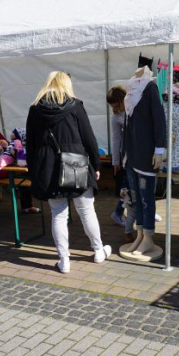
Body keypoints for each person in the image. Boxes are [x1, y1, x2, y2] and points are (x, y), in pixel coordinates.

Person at [26, 71, 110, 274]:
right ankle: (98, 251)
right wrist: (97, 165)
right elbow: (89, 138)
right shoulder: (75, 106)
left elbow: (31, 144)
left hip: (49, 168)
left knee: (58, 214)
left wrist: (33, 171)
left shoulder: (35, 109)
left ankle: (64, 261)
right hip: (76, 164)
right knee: (86, 211)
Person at [119, 66, 166, 262]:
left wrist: (159, 149)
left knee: (147, 198)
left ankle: (148, 236)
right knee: (136, 198)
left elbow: (159, 119)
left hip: (146, 153)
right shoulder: (131, 88)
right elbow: (128, 124)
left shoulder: (150, 88)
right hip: (130, 153)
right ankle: (140, 235)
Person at [106, 86, 137, 242]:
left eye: (116, 104)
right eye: (112, 106)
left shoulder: (135, 108)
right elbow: (116, 139)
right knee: (127, 188)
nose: (114, 108)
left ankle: (122, 213)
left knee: (130, 187)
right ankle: (119, 213)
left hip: (140, 155)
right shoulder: (116, 117)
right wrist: (116, 161)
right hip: (127, 158)